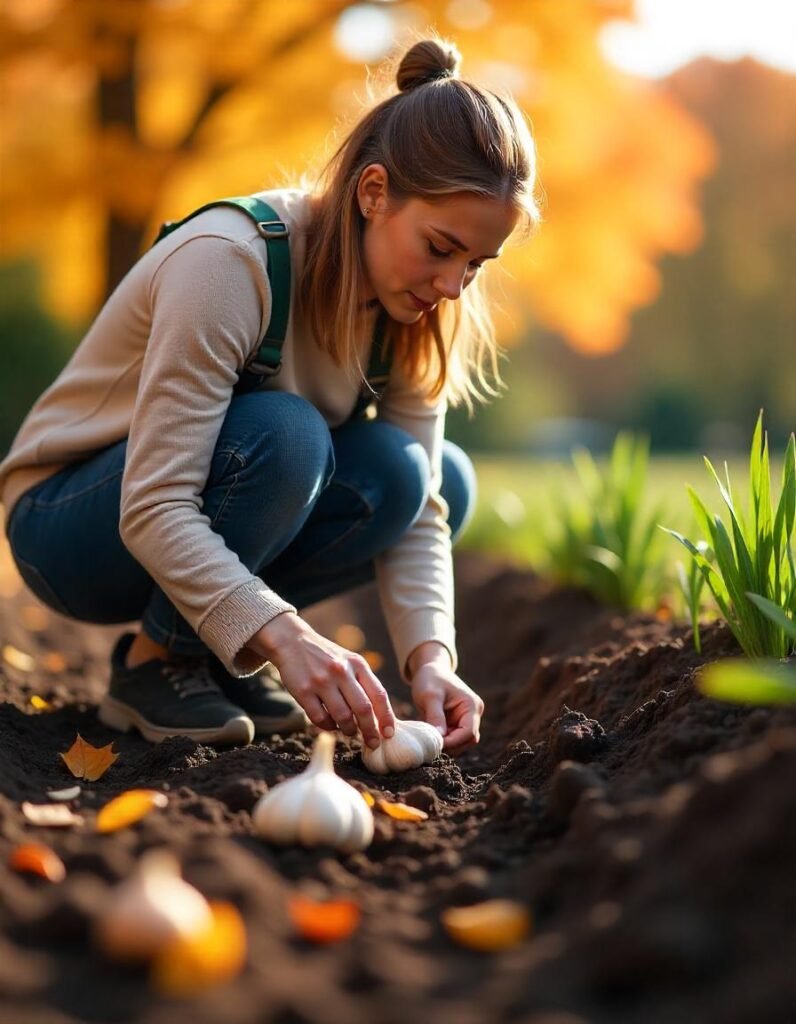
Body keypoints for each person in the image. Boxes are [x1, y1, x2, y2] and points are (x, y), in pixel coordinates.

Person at [0, 37, 540, 754]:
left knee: (426, 478)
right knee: (286, 436)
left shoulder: (416, 307)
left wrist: (433, 660)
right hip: (69, 523)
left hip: (188, 506)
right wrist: (286, 638)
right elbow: (155, 504)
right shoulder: (232, 262)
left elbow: (420, 514)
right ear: (373, 193)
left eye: (476, 264)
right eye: (441, 248)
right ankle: (158, 664)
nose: (452, 286)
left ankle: (210, 653)